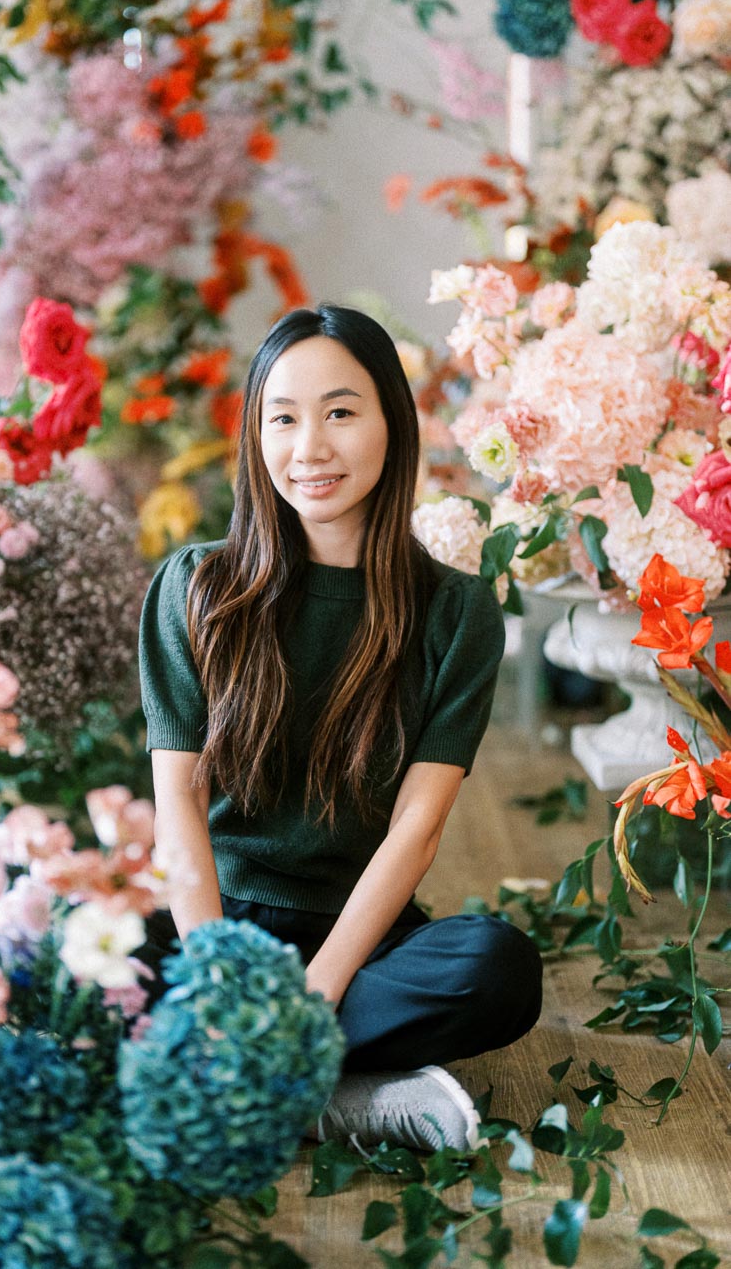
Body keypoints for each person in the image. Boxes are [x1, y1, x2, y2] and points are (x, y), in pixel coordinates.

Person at [137, 304, 542, 1153]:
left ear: (393, 422)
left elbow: (418, 828)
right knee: (42, 953)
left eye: (341, 412)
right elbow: (178, 798)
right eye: (282, 419)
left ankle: (257, 1070)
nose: (309, 448)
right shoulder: (196, 590)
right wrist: (217, 983)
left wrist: (312, 1000)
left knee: (495, 969)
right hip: (211, 919)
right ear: (255, 435)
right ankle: (340, 1095)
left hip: (357, 941)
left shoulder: (455, 613)